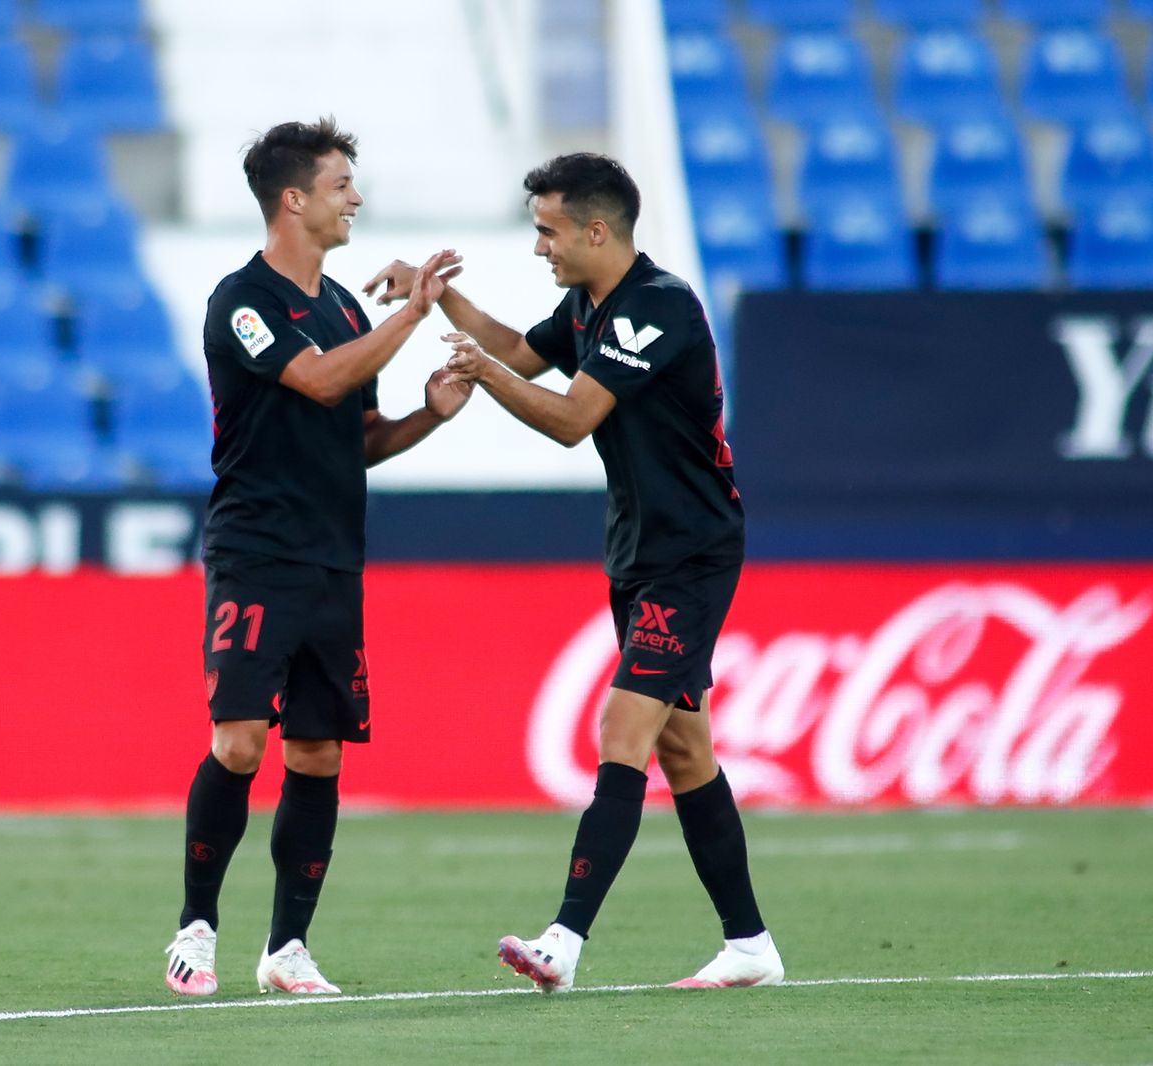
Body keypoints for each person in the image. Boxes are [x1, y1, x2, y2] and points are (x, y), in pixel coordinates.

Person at [364, 153, 781, 992]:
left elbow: (569, 418)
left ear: (598, 229)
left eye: (548, 231)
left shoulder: (655, 309)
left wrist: (481, 374)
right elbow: (522, 351)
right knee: (685, 750)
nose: (539, 248)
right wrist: (438, 295)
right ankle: (750, 946)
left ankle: (564, 939)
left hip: (688, 555)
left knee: (621, 734)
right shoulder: (592, 303)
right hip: (638, 550)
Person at [164, 118, 470, 999]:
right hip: (257, 550)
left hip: (336, 557)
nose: (356, 201)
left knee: (318, 756)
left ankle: (286, 949)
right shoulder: (243, 301)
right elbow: (318, 381)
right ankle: (196, 925)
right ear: (294, 199)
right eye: (341, 186)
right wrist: (414, 312)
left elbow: (358, 434)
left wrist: (429, 415)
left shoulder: (342, 308)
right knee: (239, 740)